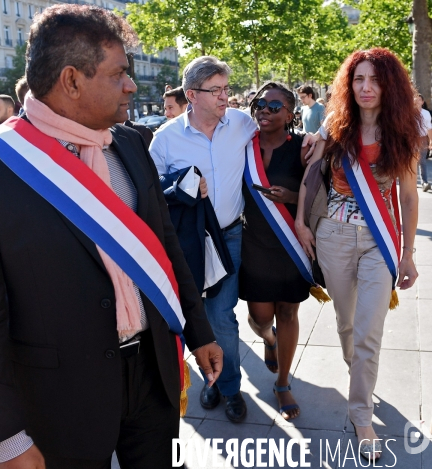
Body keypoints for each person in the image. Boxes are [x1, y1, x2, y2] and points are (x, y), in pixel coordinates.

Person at [0, 5, 222, 468]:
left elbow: (165, 248)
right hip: (57, 397)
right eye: (119, 74)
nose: (132, 85)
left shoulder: (130, 143)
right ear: (72, 80)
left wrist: (199, 332)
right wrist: (6, 437)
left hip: (153, 373)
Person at [296, 48, 420, 461]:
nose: (366, 88)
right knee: (347, 324)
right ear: (349, 85)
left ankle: (360, 415)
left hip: (378, 242)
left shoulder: (404, 131)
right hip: (332, 235)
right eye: (358, 79)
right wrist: (300, 221)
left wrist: (408, 254)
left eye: (376, 80)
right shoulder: (335, 126)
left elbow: (406, 194)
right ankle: (358, 371)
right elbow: (312, 176)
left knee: (369, 330)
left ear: (390, 86)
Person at [150, 55, 257, 424]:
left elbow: (278, 138)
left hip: (230, 236)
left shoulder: (243, 124)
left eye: (226, 88)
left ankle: (228, 388)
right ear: (192, 95)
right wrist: (182, 187)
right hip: (188, 242)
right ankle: (209, 376)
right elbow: (152, 191)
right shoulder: (164, 139)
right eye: (216, 90)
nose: (225, 96)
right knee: (195, 317)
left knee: (221, 318)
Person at [240, 82, 311, 420]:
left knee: (288, 314)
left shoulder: (302, 148)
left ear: (290, 114)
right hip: (253, 245)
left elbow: (322, 195)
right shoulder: (241, 145)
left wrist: (292, 198)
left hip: (289, 248)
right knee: (260, 318)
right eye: (259, 104)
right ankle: (268, 339)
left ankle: (282, 383)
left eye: (274, 105)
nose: (264, 110)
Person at [415, 93, 432, 191]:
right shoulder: (409, 112)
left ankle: (424, 182)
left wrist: (431, 141)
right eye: (415, 100)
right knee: (411, 160)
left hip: (422, 138)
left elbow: (429, 128)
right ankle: (411, 182)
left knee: (422, 161)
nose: (417, 101)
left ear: (422, 102)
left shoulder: (426, 113)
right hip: (411, 139)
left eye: (419, 100)